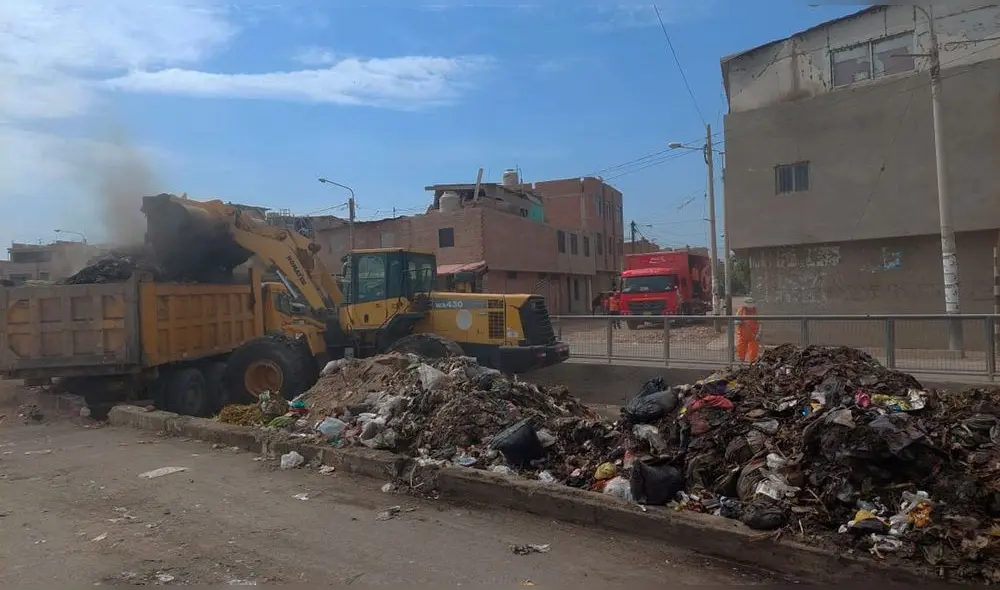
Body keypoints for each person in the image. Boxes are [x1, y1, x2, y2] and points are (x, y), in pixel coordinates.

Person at [736, 298, 761, 362]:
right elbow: (736, 320)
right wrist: (739, 322)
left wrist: (759, 333)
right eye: (748, 303)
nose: (749, 305)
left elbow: (761, 323)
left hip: (754, 336)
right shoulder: (740, 310)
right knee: (741, 352)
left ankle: (752, 365)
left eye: (751, 303)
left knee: (753, 353)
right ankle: (741, 364)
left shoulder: (757, 311)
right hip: (742, 335)